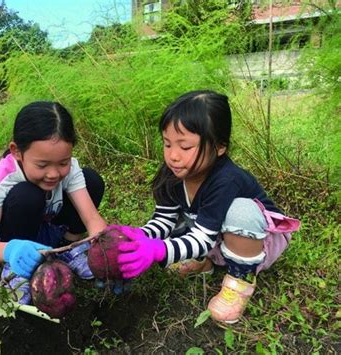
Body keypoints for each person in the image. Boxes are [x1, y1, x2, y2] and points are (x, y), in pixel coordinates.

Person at [116, 90, 300, 323]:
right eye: (167, 144)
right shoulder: (172, 174)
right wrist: (139, 236)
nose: (173, 156)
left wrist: (157, 250)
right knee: (180, 221)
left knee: (240, 212)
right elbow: (164, 219)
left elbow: (202, 237)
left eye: (185, 147)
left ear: (220, 147)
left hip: (256, 242)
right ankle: (204, 262)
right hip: (214, 237)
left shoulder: (226, 179)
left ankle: (240, 280)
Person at [0, 101, 107, 305]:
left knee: (92, 180)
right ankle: (17, 268)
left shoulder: (70, 170)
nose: (53, 174)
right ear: (17, 151)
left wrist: (108, 250)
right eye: (42, 165)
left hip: (50, 228)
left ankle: (67, 249)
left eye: (63, 163)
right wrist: (10, 250)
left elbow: (91, 218)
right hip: (14, 237)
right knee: (27, 196)